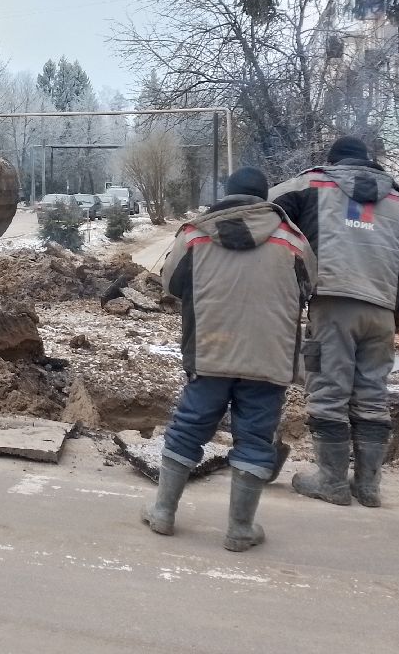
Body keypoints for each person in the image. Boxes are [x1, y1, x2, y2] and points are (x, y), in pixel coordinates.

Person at [146, 167, 315, 552]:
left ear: (227, 194)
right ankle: (240, 529)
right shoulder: (292, 239)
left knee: (189, 426)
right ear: (264, 197)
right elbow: (310, 286)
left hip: (210, 349)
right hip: (268, 356)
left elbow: (171, 284)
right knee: (256, 437)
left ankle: (162, 512)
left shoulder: (194, 235)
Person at [270, 136, 399, 508]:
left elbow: (265, 206)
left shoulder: (311, 185)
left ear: (333, 160)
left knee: (328, 391)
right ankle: (368, 487)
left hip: (333, 303)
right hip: (382, 310)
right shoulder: (396, 199)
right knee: (372, 394)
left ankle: (332, 481)